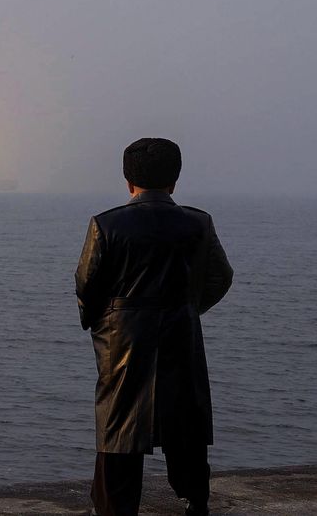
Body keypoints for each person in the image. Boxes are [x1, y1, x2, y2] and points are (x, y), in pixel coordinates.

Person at [75, 137, 234, 516]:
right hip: (181, 332)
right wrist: (189, 309)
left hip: (123, 340)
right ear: (175, 181)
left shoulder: (105, 224)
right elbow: (221, 277)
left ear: (128, 181)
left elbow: (87, 284)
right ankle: (196, 500)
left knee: (119, 427)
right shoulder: (198, 223)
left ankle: (115, 506)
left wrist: (103, 323)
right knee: (186, 422)